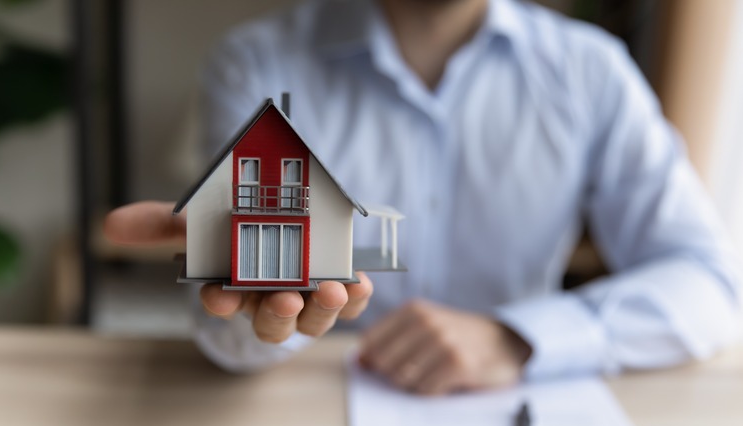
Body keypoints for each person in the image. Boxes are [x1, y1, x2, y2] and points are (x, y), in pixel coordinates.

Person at [104, 0, 742, 395]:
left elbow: (711, 284)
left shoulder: (591, 72)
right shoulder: (254, 62)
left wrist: (520, 339)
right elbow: (228, 333)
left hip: (521, 400)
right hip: (316, 401)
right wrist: (257, 318)